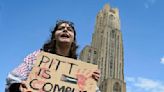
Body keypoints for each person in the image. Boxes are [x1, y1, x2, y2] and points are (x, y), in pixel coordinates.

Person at [5, 20, 101, 92]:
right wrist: (18, 87)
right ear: (54, 36)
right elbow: (13, 79)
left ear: (73, 40)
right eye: (60, 28)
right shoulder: (37, 56)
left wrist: (90, 81)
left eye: (69, 30)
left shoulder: (81, 68)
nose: (65, 30)